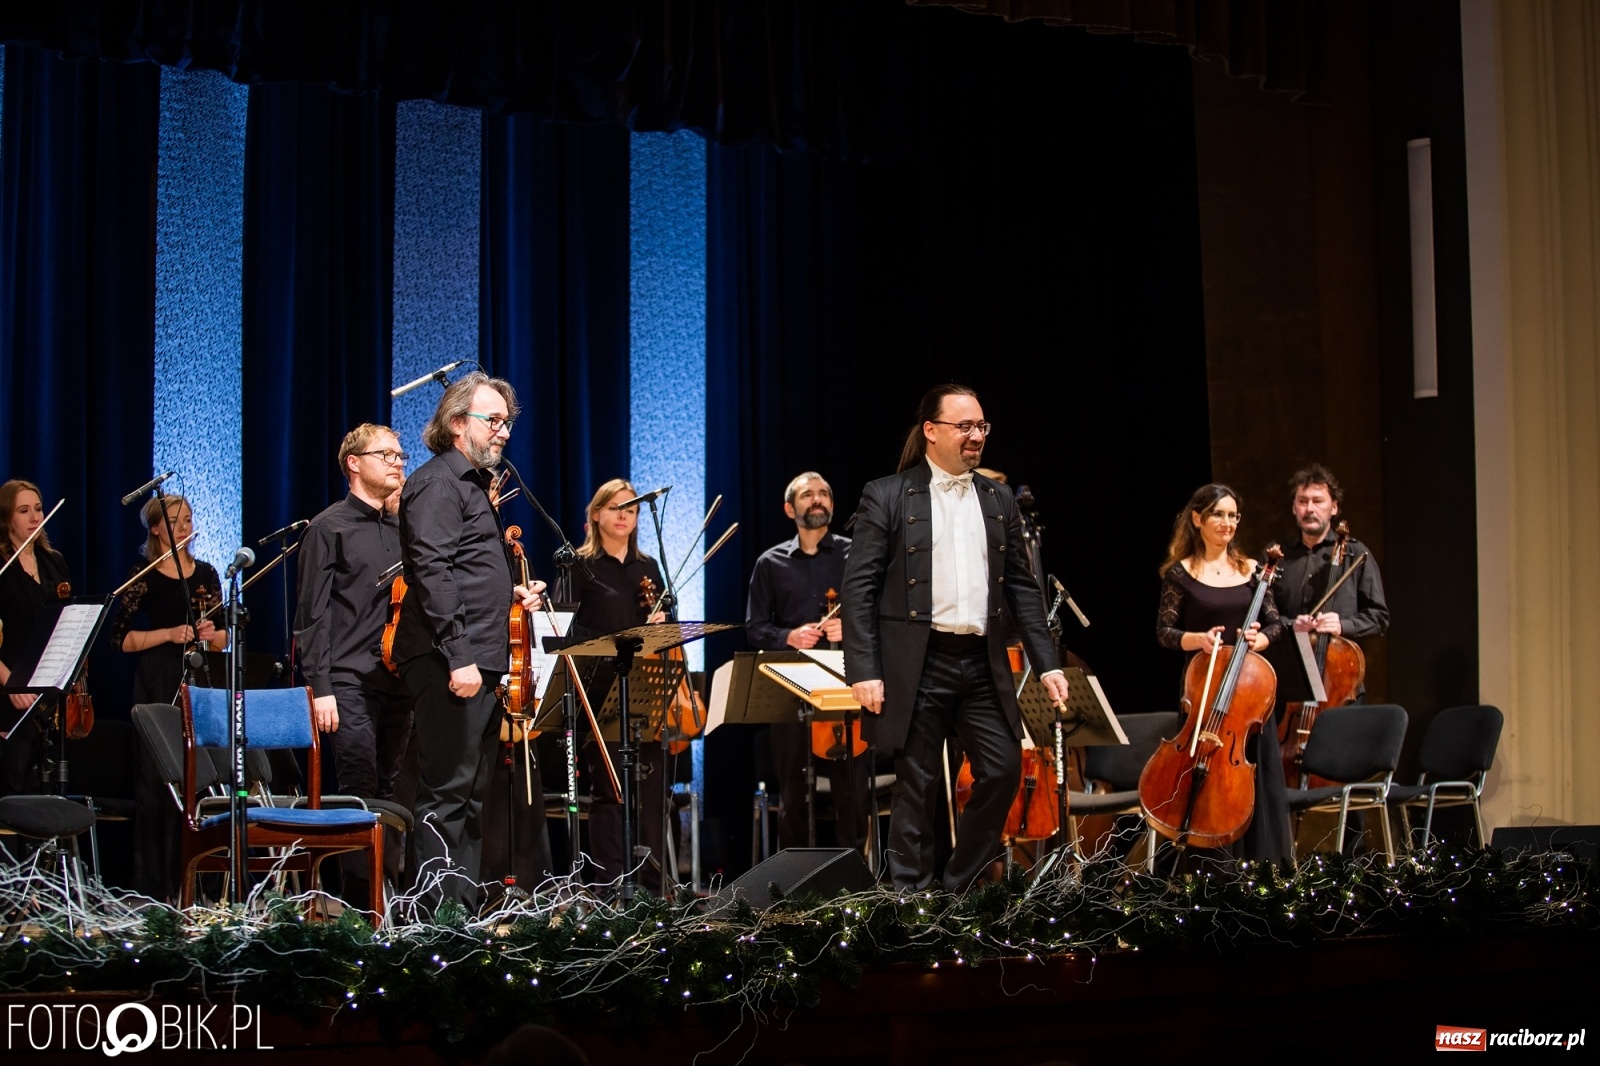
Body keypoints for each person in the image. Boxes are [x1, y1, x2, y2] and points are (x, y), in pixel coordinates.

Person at [841, 384, 1068, 890]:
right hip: (917, 662)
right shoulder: (887, 494)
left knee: (1004, 769)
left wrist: (1048, 663)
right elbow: (858, 591)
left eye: (981, 426)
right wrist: (864, 670)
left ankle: (958, 886)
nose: (975, 436)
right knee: (916, 788)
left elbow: (1023, 593)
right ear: (931, 431)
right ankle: (909, 902)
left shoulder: (998, 497)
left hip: (982, 663)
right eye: (964, 426)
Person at [391, 371, 544, 913]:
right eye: (492, 420)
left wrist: (513, 596)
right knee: (447, 793)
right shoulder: (438, 483)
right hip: (449, 659)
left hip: (479, 657)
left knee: (472, 795)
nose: (503, 432)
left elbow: (468, 572)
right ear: (458, 424)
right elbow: (431, 572)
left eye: (507, 422)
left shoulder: (474, 486)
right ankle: (431, 918)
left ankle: (459, 915)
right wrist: (460, 657)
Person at [294, 423, 415, 901]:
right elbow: (312, 614)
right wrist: (320, 685)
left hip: (398, 679)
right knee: (359, 791)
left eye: (400, 455)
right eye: (386, 454)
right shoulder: (329, 528)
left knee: (389, 792)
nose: (397, 462)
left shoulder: (405, 529)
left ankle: (383, 902)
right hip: (346, 681)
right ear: (354, 462)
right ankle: (358, 907)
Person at [1154, 483, 1289, 863]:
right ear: (1197, 519)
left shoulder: (1253, 571)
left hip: (1249, 700)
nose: (1227, 523)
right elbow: (1164, 633)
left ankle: (1261, 870)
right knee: (1203, 784)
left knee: (1254, 781)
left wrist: (1261, 639)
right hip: (1204, 696)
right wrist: (1196, 639)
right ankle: (1207, 870)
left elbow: (1278, 624)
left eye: (1233, 515)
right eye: (1218, 514)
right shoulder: (1180, 574)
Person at [746, 471, 868, 853]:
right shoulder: (770, 563)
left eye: (824, 494)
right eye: (806, 495)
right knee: (794, 797)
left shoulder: (857, 555)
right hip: (791, 689)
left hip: (848, 687)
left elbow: (881, 615)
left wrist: (851, 628)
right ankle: (794, 886)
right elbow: (754, 627)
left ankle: (856, 885)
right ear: (789, 508)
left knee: (852, 793)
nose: (817, 500)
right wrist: (789, 636)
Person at [568, 478, 668, 893]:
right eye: (614, 507)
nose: (624, 514)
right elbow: (568, 628)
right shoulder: (579, 565)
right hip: (599, 690)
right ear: (596, 515)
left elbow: (665, 629)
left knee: (652, 791)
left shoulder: (649, 568)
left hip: (644, 689)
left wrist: (663, 627)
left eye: (631, 507)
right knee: (610, 793)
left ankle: (651, 887)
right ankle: (609, 887)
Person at [1268, 463, 1389, 702]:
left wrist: (1342, 625)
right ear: (1294, 508)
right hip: (1288, 682)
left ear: (1334, 508)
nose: (1309, 508)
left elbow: (1379, 617)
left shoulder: (1355, 554)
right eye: (1302, 501)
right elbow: (1263, 616)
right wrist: (1291, 625)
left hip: (1338, 682)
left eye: (1318, 501)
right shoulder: (1276, 555)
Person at [113, 494, 227, 705]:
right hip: (160, 674)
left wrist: (212, 635)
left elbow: (224, 636)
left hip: (201, 673)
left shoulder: (207, 572)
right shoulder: (143, 574)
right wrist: (169, 634)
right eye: (173, 522)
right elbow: (120, 640)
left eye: (188, 519)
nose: (184, 528)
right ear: (155, 529)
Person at [0, 480, 72, 793]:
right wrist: (11, 682)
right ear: (6, 519)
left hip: (50, 692)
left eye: (38, 509)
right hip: (11, 692)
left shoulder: (53, 562)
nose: (34, 517)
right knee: (14, 787)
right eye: (23, 510)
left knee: (49, 786)